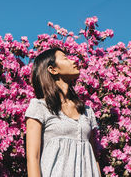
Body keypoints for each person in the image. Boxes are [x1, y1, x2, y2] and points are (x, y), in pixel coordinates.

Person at [25, 47, 102, 177]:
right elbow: (33, 158)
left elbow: (94, 158)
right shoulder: (39, 107)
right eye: (65, 58)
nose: (73, 61)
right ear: (52, 69)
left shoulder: (87, 112)